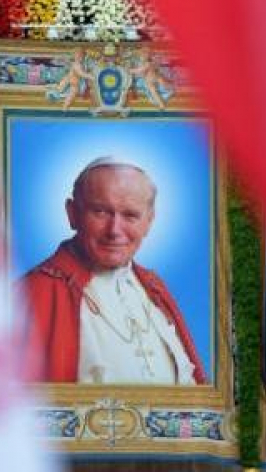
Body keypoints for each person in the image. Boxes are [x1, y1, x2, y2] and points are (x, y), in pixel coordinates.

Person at [17, 157, 206, 385]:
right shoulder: (31, 293)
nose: (115, 230)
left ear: (149, 221)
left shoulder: (153, 287)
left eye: (130, 215)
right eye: (101, 212)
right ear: (72, 214)